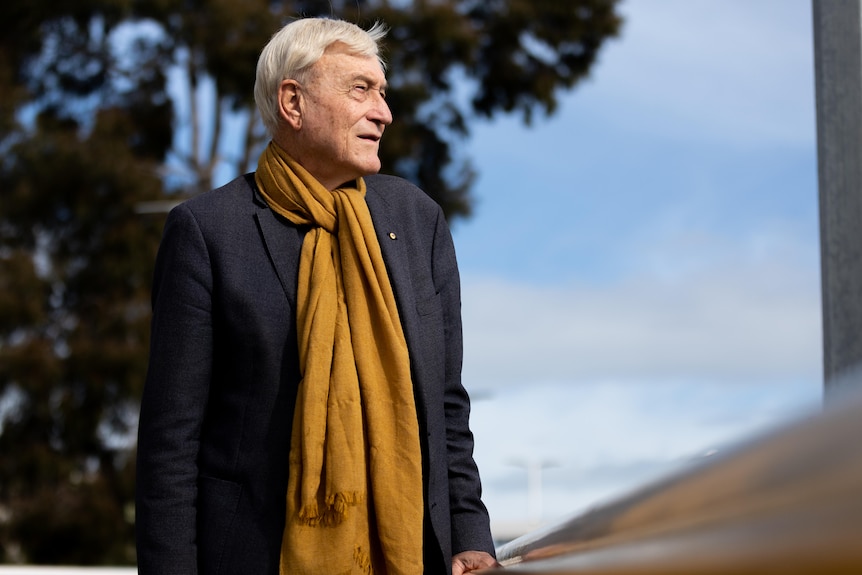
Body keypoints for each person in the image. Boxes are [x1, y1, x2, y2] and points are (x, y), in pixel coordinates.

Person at [135, 16, 498, 575]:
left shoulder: (416, 220)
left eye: (383, 93)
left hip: (411, 556)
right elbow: (171, 441)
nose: (383, 112)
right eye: (361, 89)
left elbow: (446, 403)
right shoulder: (207, 231)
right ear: (293, 102)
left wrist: (472, 537)